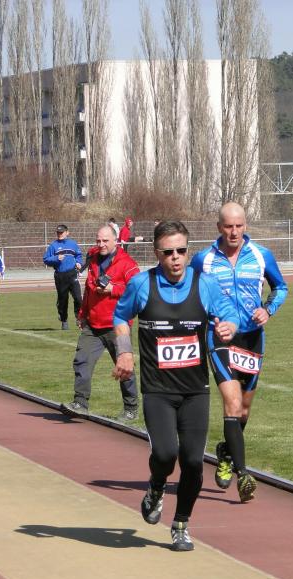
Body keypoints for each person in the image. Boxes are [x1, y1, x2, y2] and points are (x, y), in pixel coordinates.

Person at [112, 220, 239, 551]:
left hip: (195, 390)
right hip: (158, 390)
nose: (176, 258)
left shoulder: (204, 284)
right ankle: (156, 486)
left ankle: (181, 524)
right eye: (168, 252)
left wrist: (229, 325)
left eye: (181, 251)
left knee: (194, 462)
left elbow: (230, 313)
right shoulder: (142, 284)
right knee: (166, 454)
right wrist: (124, 352)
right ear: (157, 253)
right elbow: (120, 317)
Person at [191, 202, 288, 502]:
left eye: (239, 226)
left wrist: (268, 309)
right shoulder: (203, 259)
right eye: (228, 226)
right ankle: (243, 475)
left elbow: (281, 287)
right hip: (220, 338)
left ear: (245, 226)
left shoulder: (261, 255)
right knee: (231, 403)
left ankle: (226, 452)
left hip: (252, 338)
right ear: (218, 227)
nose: (234, 232)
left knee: (244, 409)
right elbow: (190, 293)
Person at [60, 225, 140, 422]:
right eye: (98, 241)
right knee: (82, 361)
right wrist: (82, 314)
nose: (101, 244)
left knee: (123, 367)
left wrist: (114, 288)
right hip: (92, 325)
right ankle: (80, 403)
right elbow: (88, 290)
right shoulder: (93, 259)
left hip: (117, 326)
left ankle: (131, 408)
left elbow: (137, 290)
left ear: (116, 241)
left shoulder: (127, 263)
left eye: (105, 241)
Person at [43, 224, 83, 330]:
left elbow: (78, 256)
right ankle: (64, 320)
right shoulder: (53, 245)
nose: (59, 234)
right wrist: (56, 258)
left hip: (72, 274)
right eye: (58, 232)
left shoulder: (73, 244)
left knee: (78, 298)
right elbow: (46, 259)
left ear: (67, 232)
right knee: (63, 300)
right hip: (60, 276)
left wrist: (79, 263)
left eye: (61, 232)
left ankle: (79, 318)